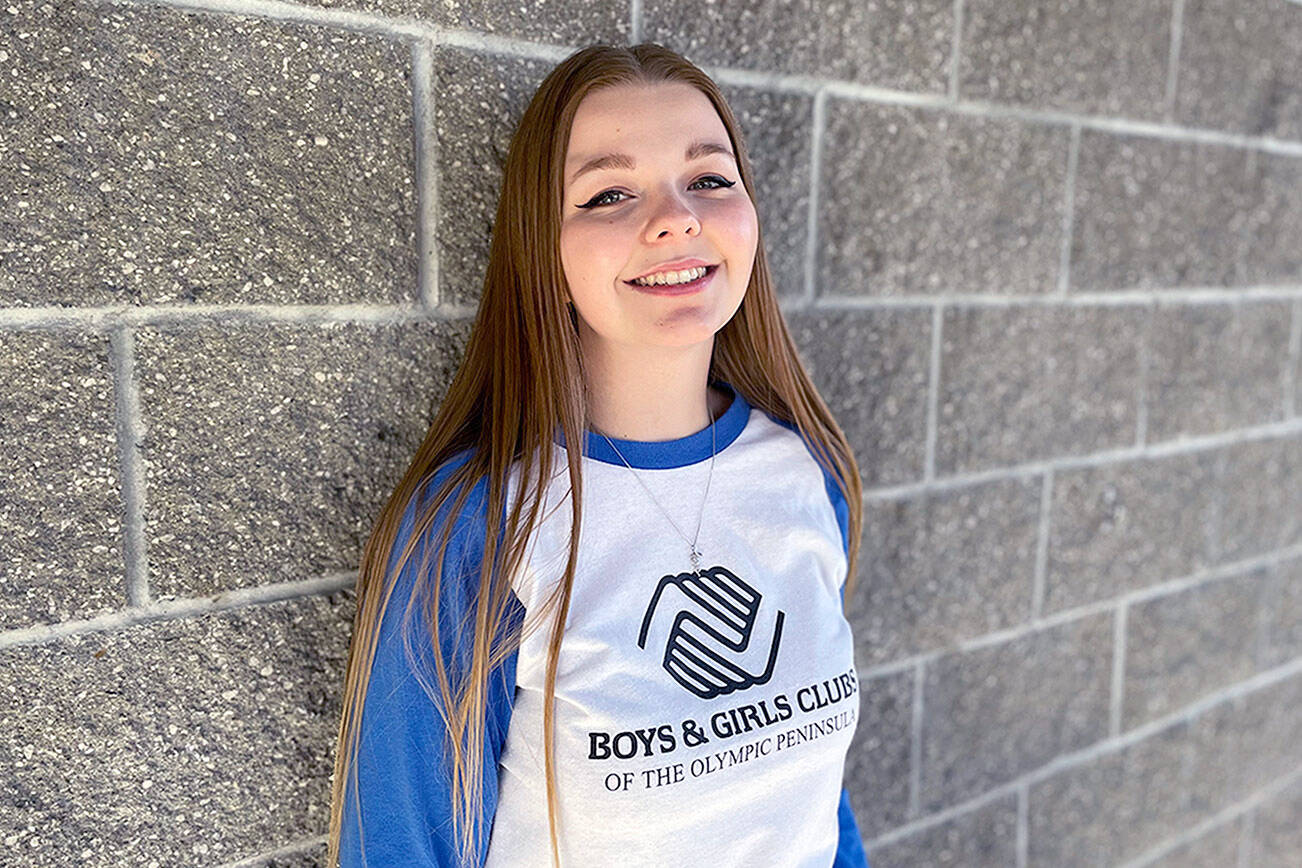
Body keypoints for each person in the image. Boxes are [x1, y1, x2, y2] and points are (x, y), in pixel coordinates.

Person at [328, 41, 870, 868]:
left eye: (709, 180)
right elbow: (401, 846)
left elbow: (814, 806)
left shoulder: (805, 474)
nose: (676, 217)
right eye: (610, 192)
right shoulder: (479, 520)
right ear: (543, 247)